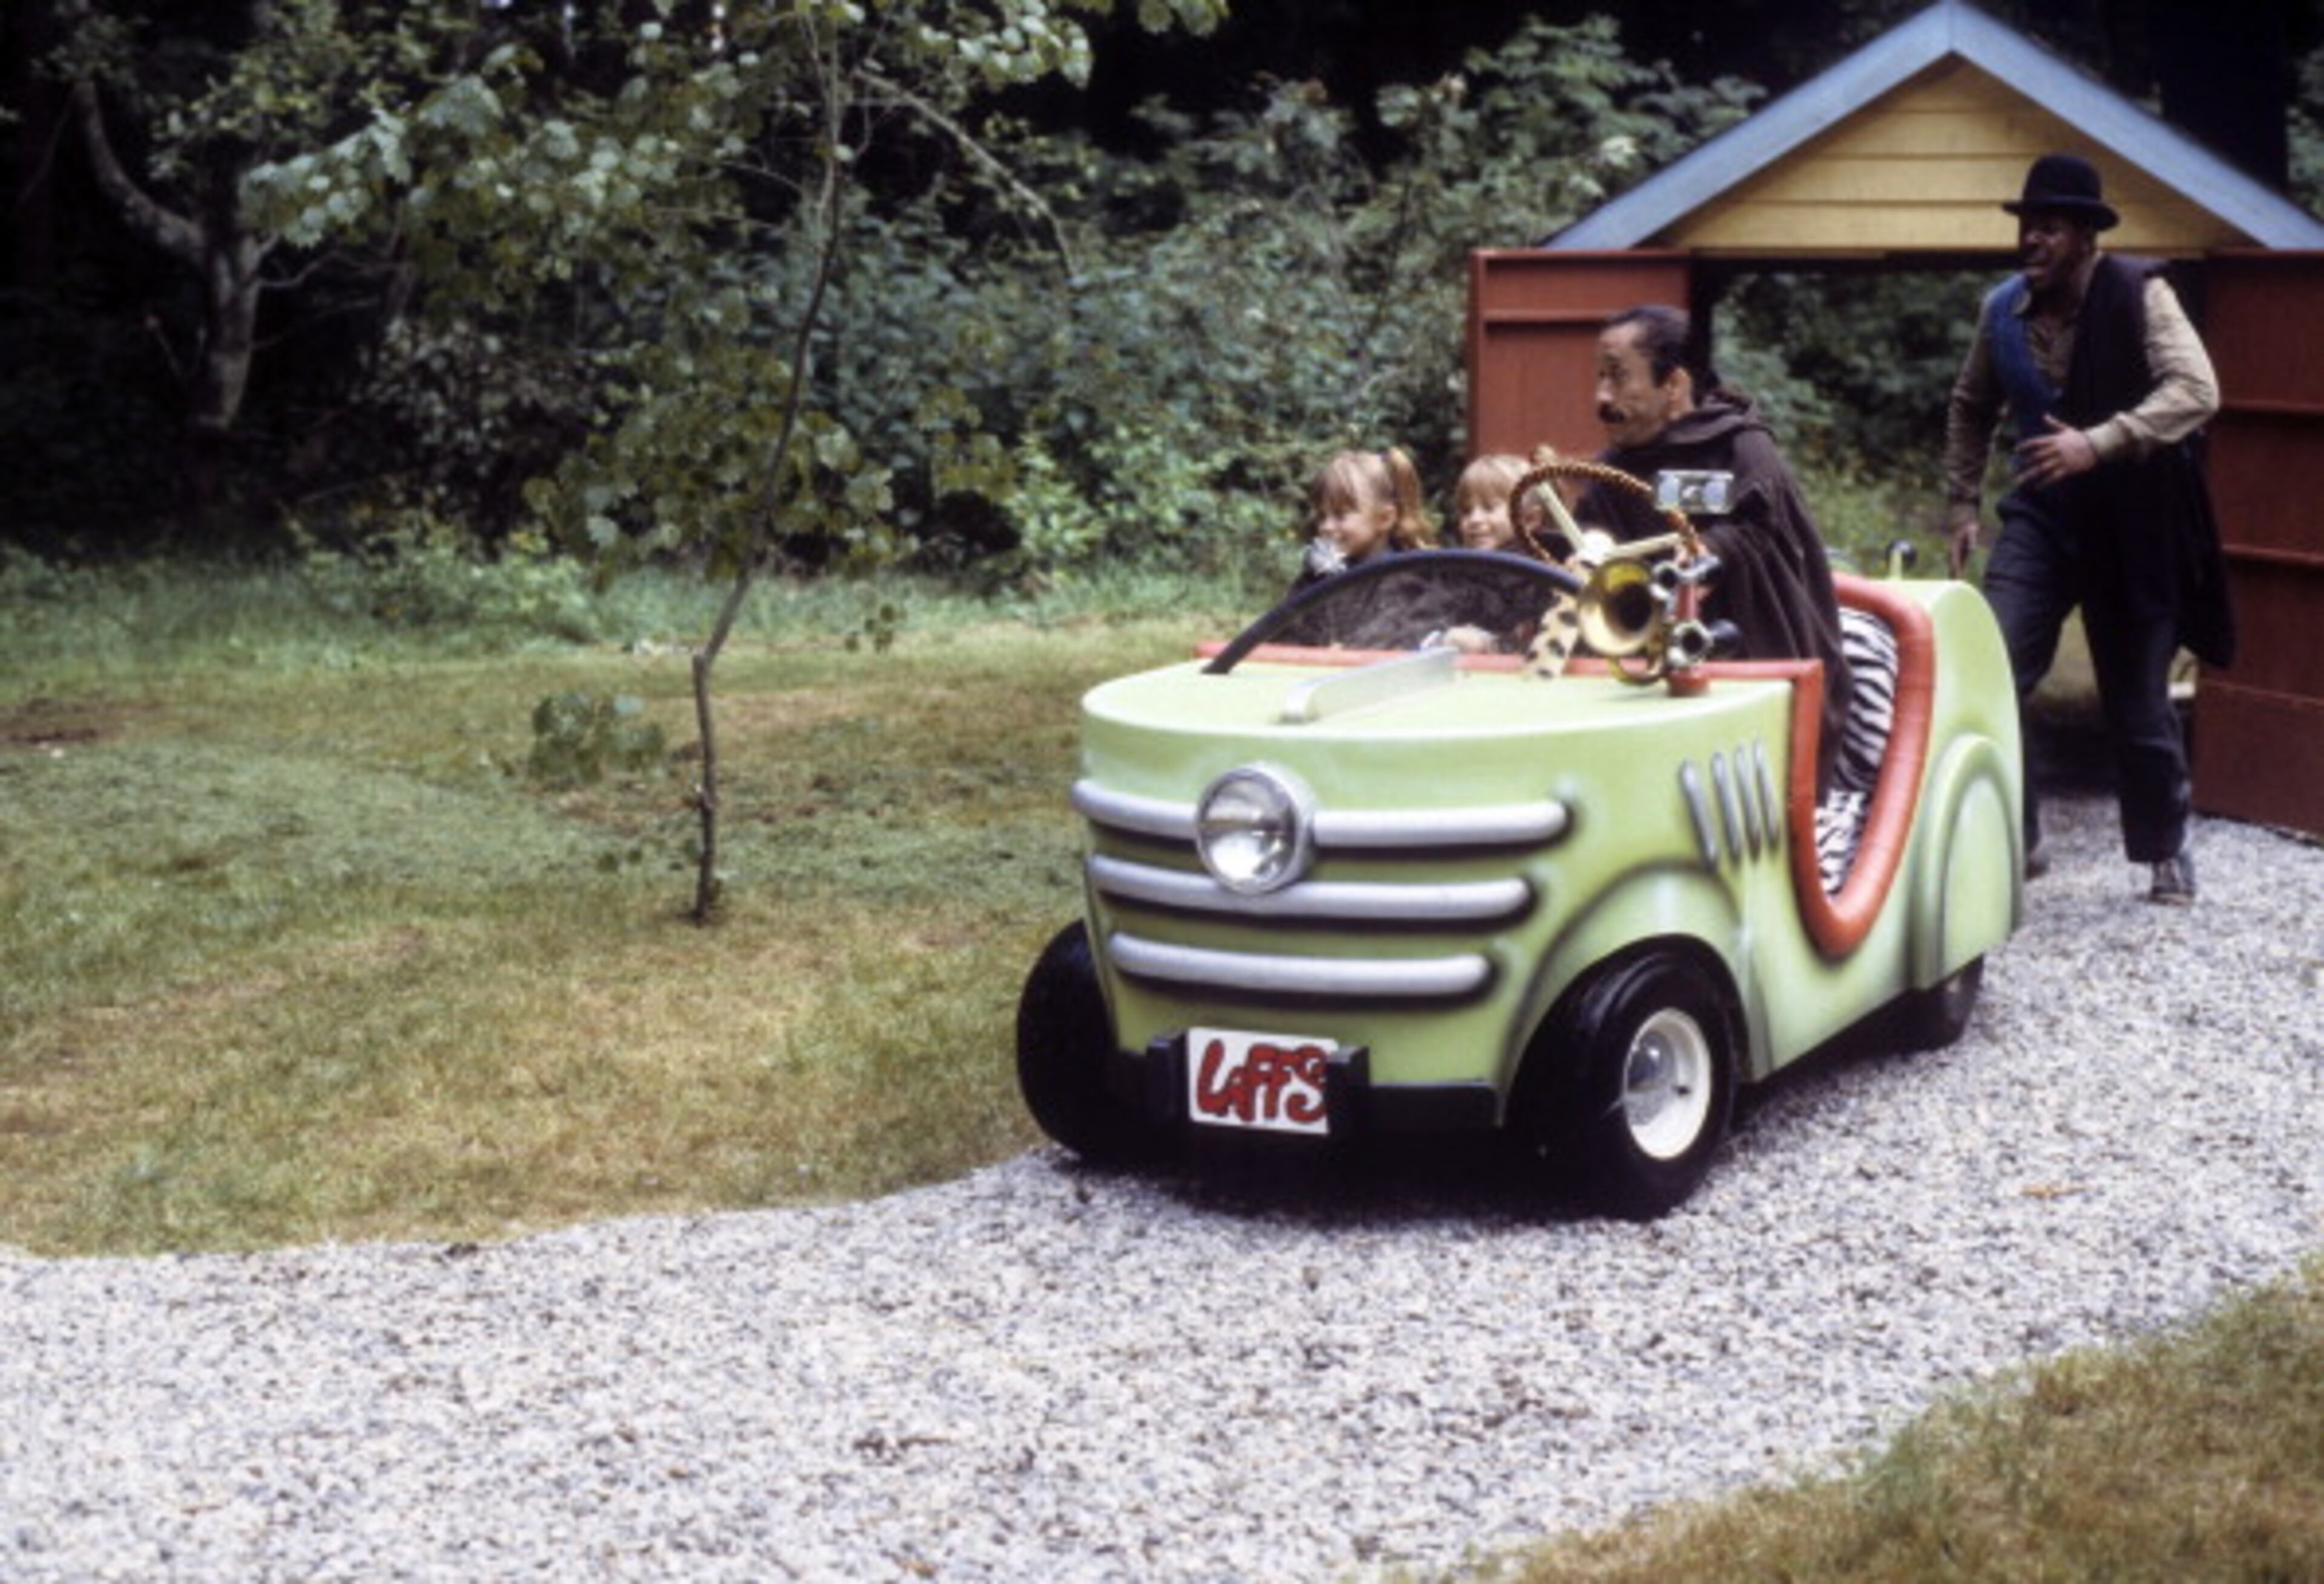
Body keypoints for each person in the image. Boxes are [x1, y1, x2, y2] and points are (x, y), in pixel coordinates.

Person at [1942, 152, 2233, 904]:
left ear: (2084, 237)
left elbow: (2198, 390)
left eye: (2049, 229)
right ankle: (2020, 832)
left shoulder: (2143, 294)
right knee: (1992, 669)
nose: (2031, 242)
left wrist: (2098, 441)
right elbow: (1972, 405)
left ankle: (2165, 846)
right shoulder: (1999, 310)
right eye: (2026, 229)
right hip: (2041, 516)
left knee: (2136, 705)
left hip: (2131, 522)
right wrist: (1962, 503)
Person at [1586, 304, 1856, 796]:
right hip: (1646, 673)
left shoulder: (1742, 450)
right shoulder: (1612, 469)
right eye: (1600, 377)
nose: (1600, 397)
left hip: (1762, 659)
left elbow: (1758, 529)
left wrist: (1708, 552)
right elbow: (1589, 527)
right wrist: (1590, 547)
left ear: (1674, 385)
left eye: (1619, 378)